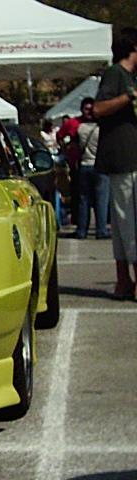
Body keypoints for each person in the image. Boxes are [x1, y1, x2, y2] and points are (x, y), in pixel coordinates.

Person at [93, 27, 137, 300]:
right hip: (125, 159)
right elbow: (98, 108)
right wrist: (128, 97)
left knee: (123, 225)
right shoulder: (116, 74)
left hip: (126, 159)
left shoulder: (129, 77)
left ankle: (123, 281)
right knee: (129, 222)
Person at [73, 98, 110, 239]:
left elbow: (75, 146)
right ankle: (101, 230)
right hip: (100, 166)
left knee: (84, 200)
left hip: (84, 165)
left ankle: (82, 230)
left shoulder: (80, 128)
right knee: (101, 200)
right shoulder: (102, 129)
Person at [57, 98, 97, 228]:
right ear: (81, 110)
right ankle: (78, 220)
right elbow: (59, 135)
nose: (89, 112)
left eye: (91, 109)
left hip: (96, 163)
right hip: (76, 163)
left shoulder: (99, 123)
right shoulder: (73, 123)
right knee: (78, 194)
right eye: (86, 109)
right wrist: (65, 150)